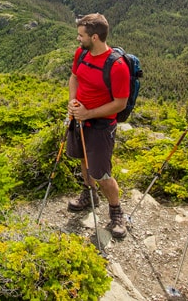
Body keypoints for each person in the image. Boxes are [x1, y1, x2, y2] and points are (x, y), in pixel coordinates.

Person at [65, 13, 130, 239]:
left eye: (81, 35)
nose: (77, 39)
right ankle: (89, 194)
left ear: (94, 37)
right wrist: (73, 102)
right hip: (79, 120)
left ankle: (116, 212)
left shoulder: (117, 66)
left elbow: (120, 104)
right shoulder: (81, 53)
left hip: (101, 125)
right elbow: (74, 77)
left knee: (101, 172)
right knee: (84, 158)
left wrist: (88, 112)